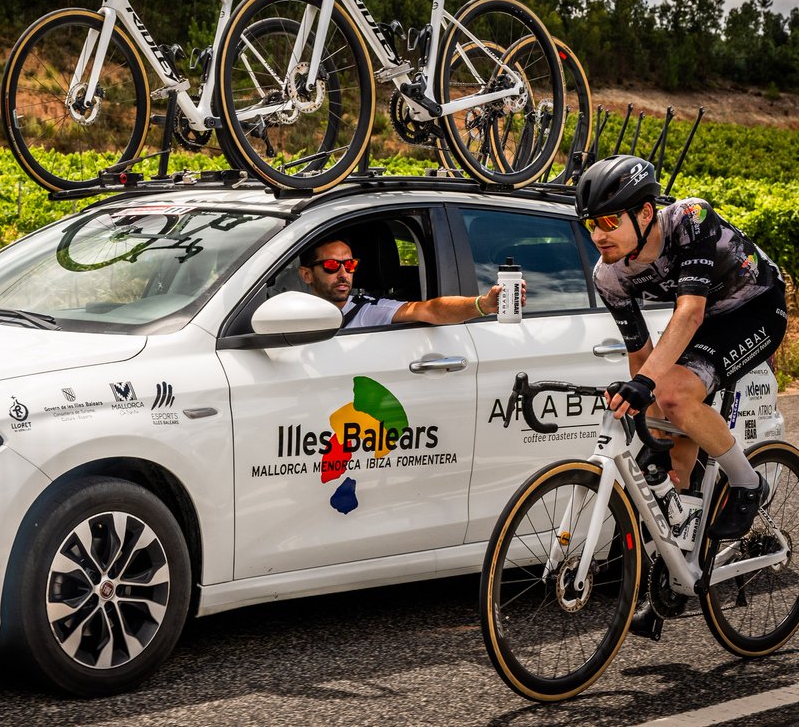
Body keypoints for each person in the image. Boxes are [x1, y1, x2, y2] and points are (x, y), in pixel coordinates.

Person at [577, 154, 788, 540]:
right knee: (664, 425)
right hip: (707, 322)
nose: (598, 235)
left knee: (672, 392)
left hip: (755, 308)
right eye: (591, 224)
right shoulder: (609, 277)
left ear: (644, 213)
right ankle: (683, 536)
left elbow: (690, 312)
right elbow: (640, 356)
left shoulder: (690, 218)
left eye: (609, 221)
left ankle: (747, 482)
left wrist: (647, 384)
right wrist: (644, 406)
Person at [297, 237, 522, 327]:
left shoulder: (368, 311)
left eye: (350, 265)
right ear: (306, 275)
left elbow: (430, 310)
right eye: (331, 265)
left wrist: (483, 305)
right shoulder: (288, 311)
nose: (343, 273)